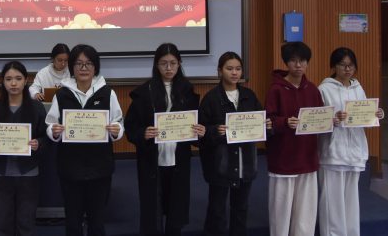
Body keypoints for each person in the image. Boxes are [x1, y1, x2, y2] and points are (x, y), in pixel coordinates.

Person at [125, 43, 205, 236]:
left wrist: (199, 131)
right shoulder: (144, 92)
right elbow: (131, 127)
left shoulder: (187, 91)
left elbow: (196, 125)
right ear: (156, 65)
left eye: (173, 63)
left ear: (179, 64)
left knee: (176, 207)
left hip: (179, 159)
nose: (168, 68)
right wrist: (143, 133)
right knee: (152, 208)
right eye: (163, 63)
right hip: (152, 158)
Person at [45, 44, 124, 236]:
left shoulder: (107, 92)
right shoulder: (62, 94)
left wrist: (116, 131)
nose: (83, 68)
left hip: (100, 167)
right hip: (70, 167)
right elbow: (50, 123)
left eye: (88, 63)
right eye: (78, 64)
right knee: (73, 221)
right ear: (72, 67)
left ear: (95, 67)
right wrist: (53, 131)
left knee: (97, 221)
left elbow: (118, 122)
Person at [199, 51, 272, 236]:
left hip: (245, 163)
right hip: (220, 165)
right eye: (229, 68)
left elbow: (260, 123)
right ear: (220, 71)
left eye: (238, 69)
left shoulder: (249, 95)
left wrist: (266, 125)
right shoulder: (211, 98)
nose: (234, 73)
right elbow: (200, 133)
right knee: (217, 210)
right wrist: (215, 131)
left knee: (241, 208)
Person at [318, 47, 384, 236]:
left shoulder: (358, 87)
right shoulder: (324, 89)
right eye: (342, 65)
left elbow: (363, 115)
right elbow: (317, 120)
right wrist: (333, 119)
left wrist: (376, 114)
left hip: (355, 151)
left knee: (351, 200)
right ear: (333, 66)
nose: (347, 69)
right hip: (333, 152)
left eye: (351, 65)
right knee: (332, 203)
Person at [0, 61, 47, 236]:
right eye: (8, 79)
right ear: (3, 81)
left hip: (28, 172)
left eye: (18, 78)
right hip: (1, 172)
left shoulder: (37, 108)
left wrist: (38, 143)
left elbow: (46, 137)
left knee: (26, 222)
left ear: (26, 80)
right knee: (2, 222)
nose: (13, 83)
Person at [265, 41, 323, 236]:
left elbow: (320, 117)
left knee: (306, 212)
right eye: (293, 61)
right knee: (280, 211)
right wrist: (284, 122)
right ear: (286, 62)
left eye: (303, 61)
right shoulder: (276, 89)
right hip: (283, 158)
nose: (298, 65)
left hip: (307, 157)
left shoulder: (312, 89)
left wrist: (330, 120)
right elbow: (267, 121)